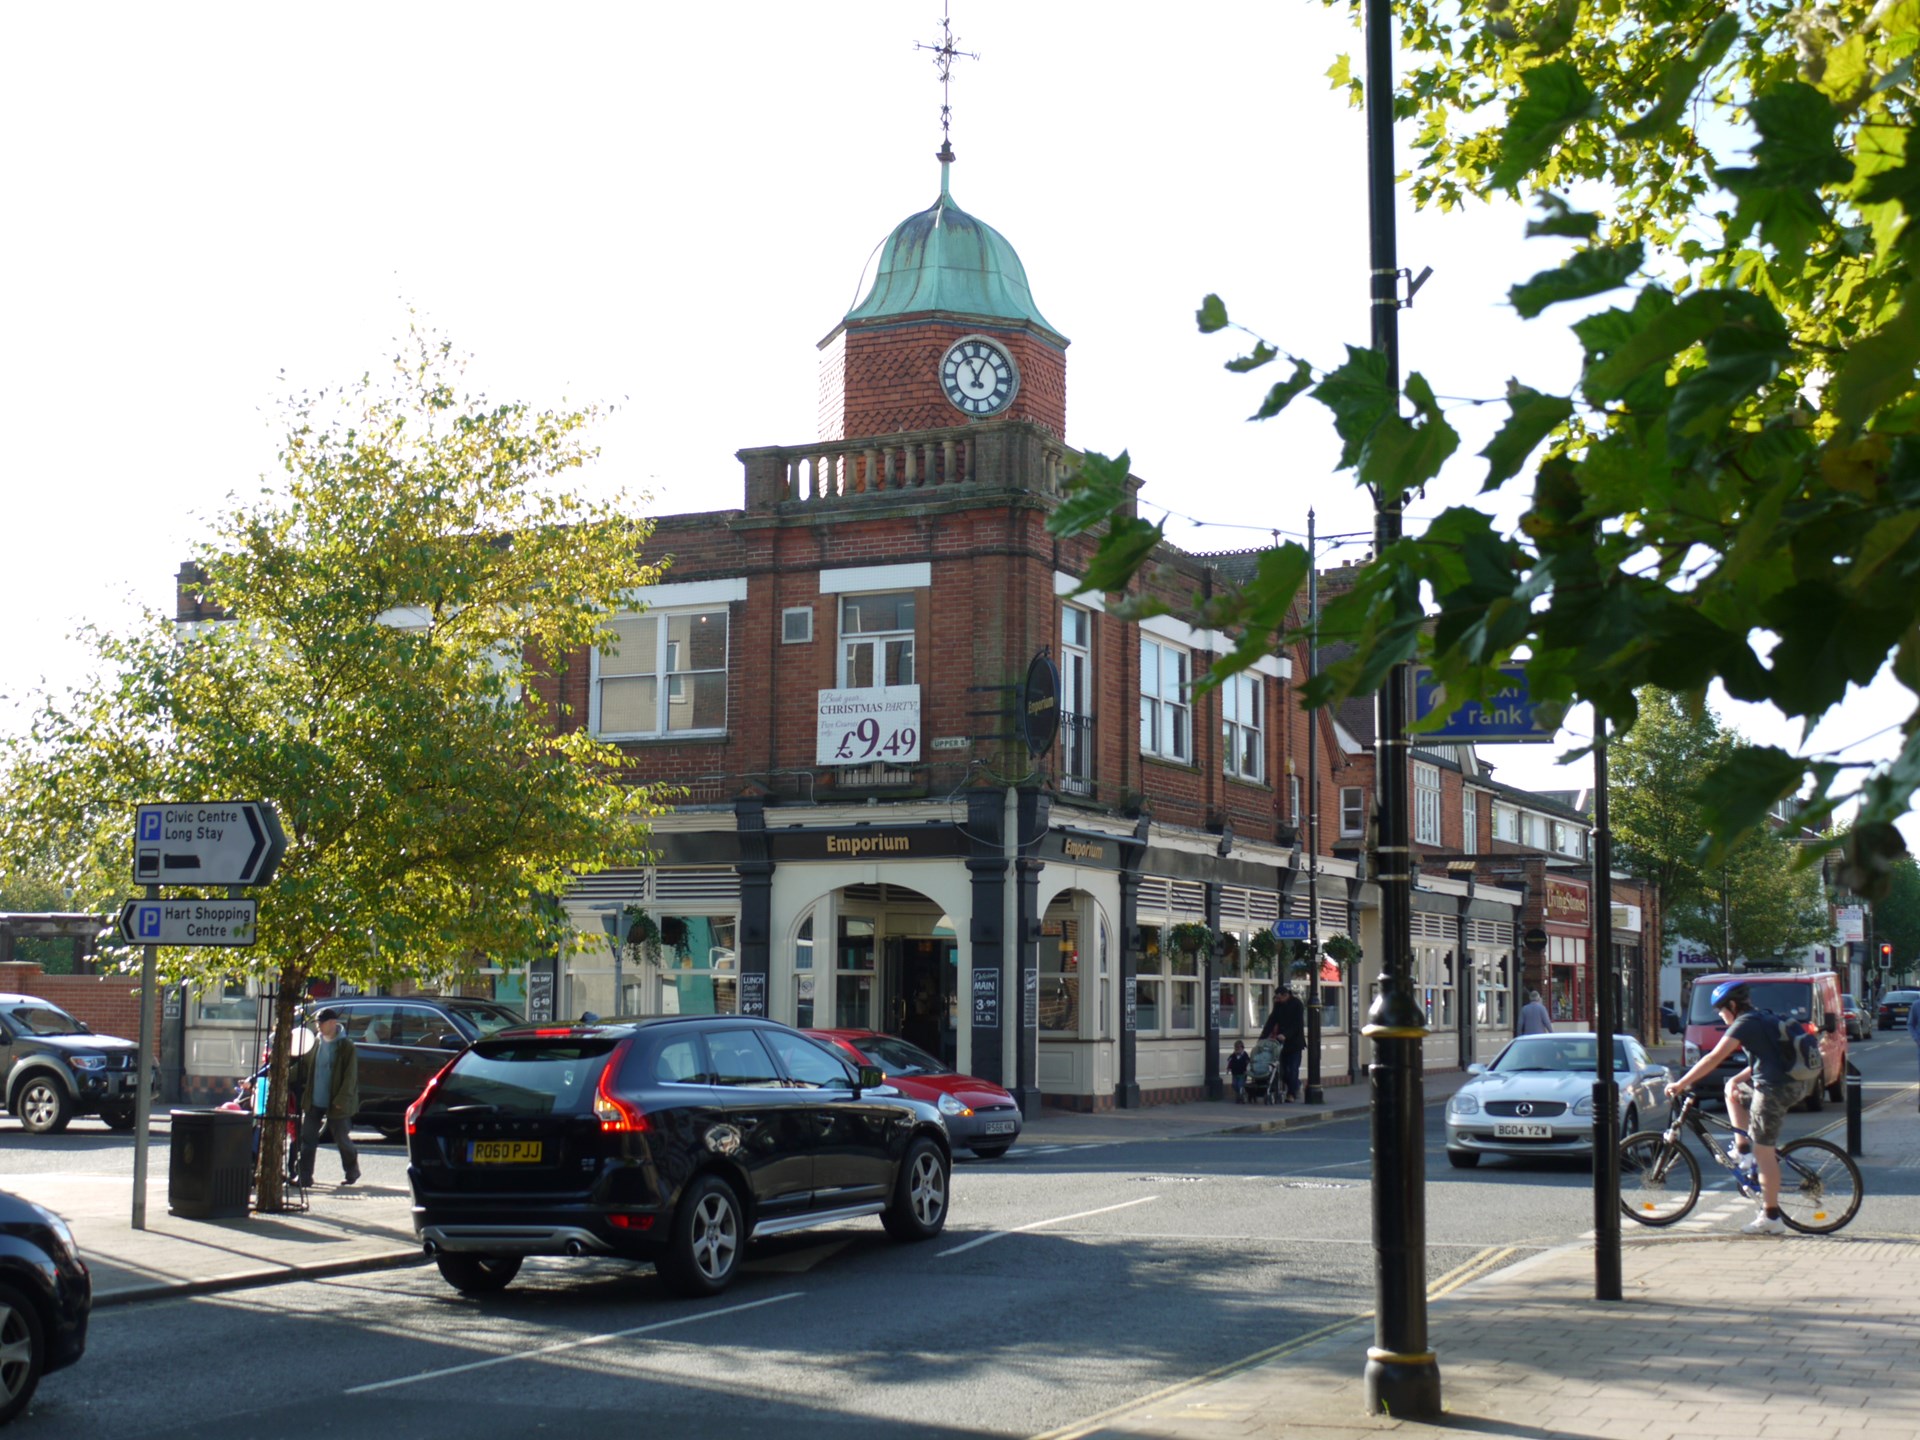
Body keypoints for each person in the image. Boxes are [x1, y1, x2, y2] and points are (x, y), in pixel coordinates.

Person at [1664, 980, 1808, 1235]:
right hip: (1785, 1083)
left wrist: (1682, 1083)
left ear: (1732, 1005)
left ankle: (1771, 1217)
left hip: (1776, 1089)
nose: (1721, 1016)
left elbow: (1714, 1057)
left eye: (1721, 1010)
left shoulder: (1745, 1023)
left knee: (1765, 1153)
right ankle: (1743, 1151)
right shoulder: (1761, 1018)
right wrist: (1736, 1079)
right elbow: (1768, 1057)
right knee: (1731, 1091)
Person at [292, 1007, 360, 1188]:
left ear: (332, 1023)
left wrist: (341, 1100)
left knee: (341, 1139)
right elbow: (304, 1066)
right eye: (316, 1023)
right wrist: (283, 1074)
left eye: (321, 1023)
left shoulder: (346, 1047)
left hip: (336, 1102)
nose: (318, 1027)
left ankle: (352, 1170)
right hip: (314, 1100)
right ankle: (304, 1176)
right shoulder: (315, 1044)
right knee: (308, 1140)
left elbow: (350, 1077)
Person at [1260, 986, 1307, 1102]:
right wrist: (1262, 1038)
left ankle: (1291, 1094)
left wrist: (1286, 1034)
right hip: (1281, 1044)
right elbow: (1271, 1021)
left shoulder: (1297, 1004)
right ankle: (1296, 1084)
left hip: (1295, 1043)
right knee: (1283, 1071)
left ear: (1286, 995)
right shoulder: (1278, 1005)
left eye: (1279, 997)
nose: (1277, 1000)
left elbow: (1298, 1024)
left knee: (1293, 1069)